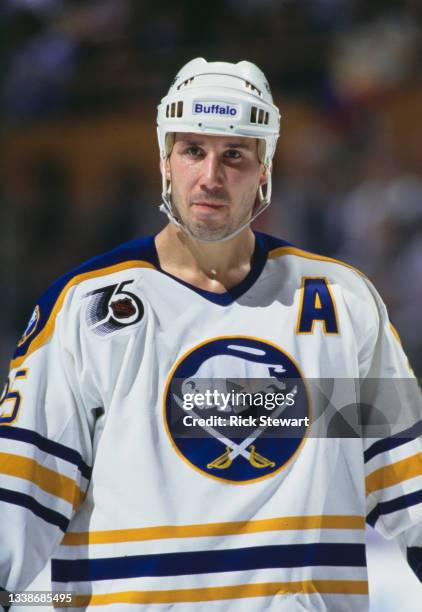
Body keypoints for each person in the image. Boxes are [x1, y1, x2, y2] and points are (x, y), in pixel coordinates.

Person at [0, 57, 421, 611]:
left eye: (235, 156)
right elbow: (18, 509)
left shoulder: (337, 307)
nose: (211, 177)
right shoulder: (89, 311)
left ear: (265, 168)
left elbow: (407, 491)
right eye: (192, 151)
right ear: (164, 162)